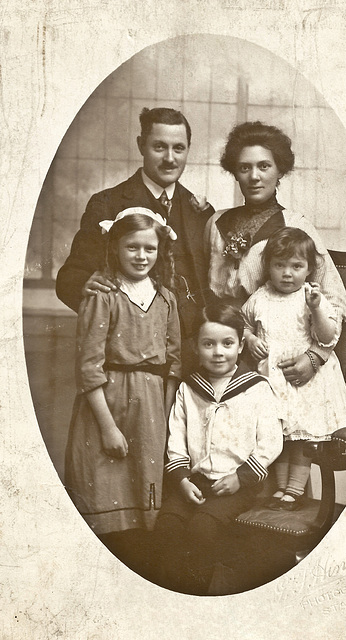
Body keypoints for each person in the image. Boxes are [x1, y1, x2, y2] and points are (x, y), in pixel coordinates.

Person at [64, 207, 181, 577]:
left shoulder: (166, 299)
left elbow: (174, 362)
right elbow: (88, 367)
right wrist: (108, 426)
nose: (142, 256)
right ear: (115, 246)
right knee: (103, 487)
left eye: (150, 248)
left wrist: (163, 417)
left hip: (150, 406)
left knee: (145, 497)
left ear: (160, 250)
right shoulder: (103, 294)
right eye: (132, 247)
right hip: (107, 404)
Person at [56, 106, 214, 372]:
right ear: (141, 145)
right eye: (159, 147)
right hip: (132, 360)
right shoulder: (108, 203)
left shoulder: (200, 211)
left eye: (179, 148)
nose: (170, 158)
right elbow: (70, 279)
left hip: (191, 358)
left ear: (188, 149)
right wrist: (88, 286)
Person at [205, 121, 346, 387]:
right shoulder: (215, 223)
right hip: (220, 350)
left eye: (264, 166)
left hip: (277, 356)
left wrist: (316, 356)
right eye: (244, 168)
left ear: (279, 170)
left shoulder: (296, 225)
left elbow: (333, 297)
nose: (254, 176)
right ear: (235, 173)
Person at [155, 303, 283, 595]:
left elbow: (271, 440)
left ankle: (198, 595)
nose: (218, 352)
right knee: (167, 525)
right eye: (208, 344)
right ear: (196, 347)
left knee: (203, 529)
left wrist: (242, 477)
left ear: (240, 346)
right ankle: (169, 594)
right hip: (194, 482)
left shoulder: (256, 387)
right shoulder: (189, 388)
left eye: (227, 343)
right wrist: (182, 480)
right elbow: (175, 438)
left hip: (237, 483)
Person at [242, 227, 346, 510]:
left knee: (301, 439)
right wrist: (250, 338)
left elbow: (328, 338)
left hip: (306, 384)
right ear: (268, 267)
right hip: (272, 383)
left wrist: (316, 309)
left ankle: (294, 489)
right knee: (276, 436)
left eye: (296, 266)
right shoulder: (259, 297)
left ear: (309, 270)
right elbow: (241, 323)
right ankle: (280, 489)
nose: (287, 273)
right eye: (279, 265)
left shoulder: (311, 297)